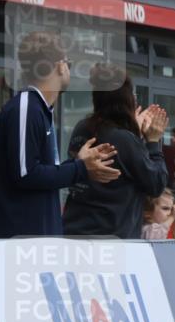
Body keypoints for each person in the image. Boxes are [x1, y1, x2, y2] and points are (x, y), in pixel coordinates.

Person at [0, 31, 119, 238]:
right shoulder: (26, 108)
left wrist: (78, 164)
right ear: (59, 65)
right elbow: (26, 174)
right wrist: (80, 168)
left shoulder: (37, 109)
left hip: (35, 243)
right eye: (69, 63)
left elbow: (38, 173)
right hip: (20, 246)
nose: (68, 70)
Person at [63, 64, 169, 239]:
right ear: (128, 99)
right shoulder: (123, 139)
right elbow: (156, 183)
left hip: (74, 230)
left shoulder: (82, 128)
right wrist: (153, 141)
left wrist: (134, 133)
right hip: (111, 239)